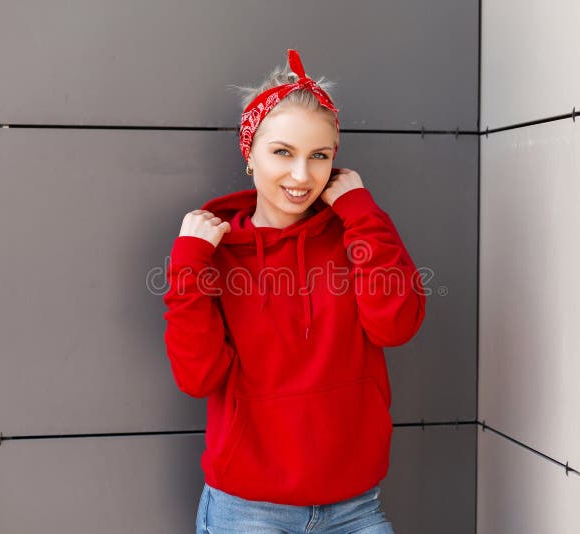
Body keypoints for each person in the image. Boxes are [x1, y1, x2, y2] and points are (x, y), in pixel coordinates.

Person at [163, 49, 426, 533]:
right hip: (247, 510)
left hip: (355, 507)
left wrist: (363, 213)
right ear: (250, 153)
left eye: (319, 156)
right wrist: (188, 265)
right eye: (282, 152)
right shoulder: (215, 253)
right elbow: (197, 377)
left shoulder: (358, 233)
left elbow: (396, 324)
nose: (302, 176)